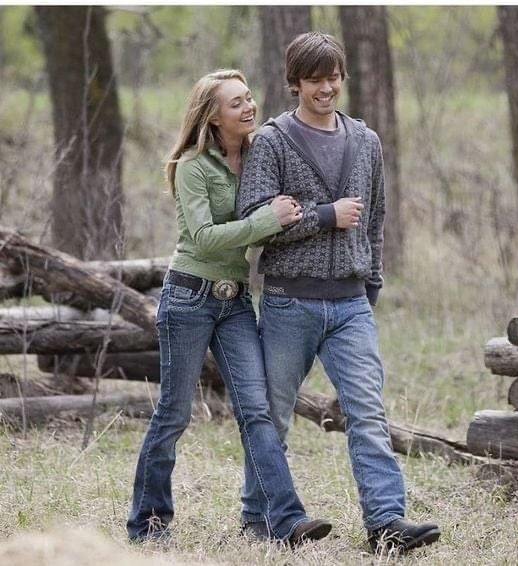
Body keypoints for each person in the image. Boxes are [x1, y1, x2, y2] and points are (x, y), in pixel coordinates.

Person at [237, 33, 441, 554]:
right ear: (295, 83)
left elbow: (375, 221)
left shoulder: (366, 141)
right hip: (288, 300)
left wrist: (370, 282)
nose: (326, 88)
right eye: (315, 80)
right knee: (274, 414)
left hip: (351, 303)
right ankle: (259, 517)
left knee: (367, 413)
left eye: (333, 78)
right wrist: (325, 217)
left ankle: (386, 523)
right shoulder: (272, 142)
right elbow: (254, 223)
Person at [127, 69, 333, 545]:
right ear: (212, 116)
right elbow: (202, 237)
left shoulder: (262, 153)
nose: (249, 106)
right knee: (175, 415)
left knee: (256, 411)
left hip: (237, 300)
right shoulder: (192, 166)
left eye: (249, 98)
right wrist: (264, 220)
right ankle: (148, 524)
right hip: (189, 296)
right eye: (236, 102)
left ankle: (281, 520)